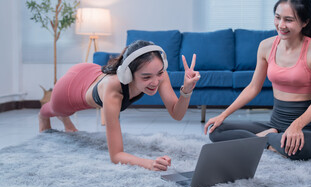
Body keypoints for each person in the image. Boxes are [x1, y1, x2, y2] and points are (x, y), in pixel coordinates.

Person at [204, 0, 311, 160]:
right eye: (278, 17)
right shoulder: (266, 46)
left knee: (297, 148)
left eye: (289, 20)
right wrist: (223, 115)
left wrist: (296, 126)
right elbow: (253, 87)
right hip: (275, 125)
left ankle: (264, 139)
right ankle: (270, 138)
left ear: (305, 22)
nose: (281, 25)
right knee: (216, 131)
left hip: (307, 129)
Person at [39, 40, 200, 170]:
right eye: (146, 77)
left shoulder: (158, 73)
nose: (155, 81)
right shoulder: (113, 90)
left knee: (65, 114)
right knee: (53, 109)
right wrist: (149, 164)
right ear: (127, 74)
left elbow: (177, 114)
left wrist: (187, 90)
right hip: (69, 89)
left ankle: (66, 122)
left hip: (91, 72)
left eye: (159, 73)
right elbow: (115, 155)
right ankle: (44, 115)